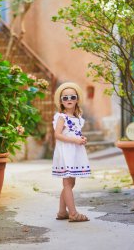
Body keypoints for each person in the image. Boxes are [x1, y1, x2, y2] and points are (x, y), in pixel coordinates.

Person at [52, 82, 91, 222]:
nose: (69, 100)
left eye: (72, 97)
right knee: (67, 184)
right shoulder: (62, 117)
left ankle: (62, 212)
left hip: (74, 151)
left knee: (71, 183)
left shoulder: (77, 118)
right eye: (65, 98)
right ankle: (73, 213)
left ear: (77, 99)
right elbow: (57, 135)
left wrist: (81, 138)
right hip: (66, 151)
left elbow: (74, 133)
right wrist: (75, 141)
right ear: (61, 101)